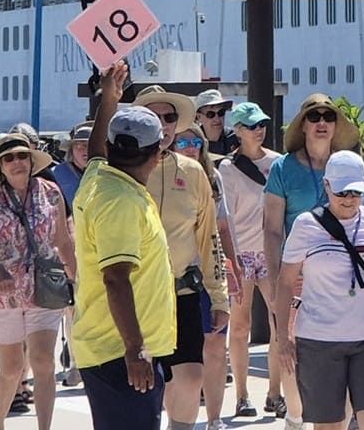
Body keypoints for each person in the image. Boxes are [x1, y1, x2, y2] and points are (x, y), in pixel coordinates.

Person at [271, 150, 364, 430]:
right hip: (320, 341)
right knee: (330, 425)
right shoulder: (305, 225)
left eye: (356, 192)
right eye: (342, 192)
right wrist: (282, 338)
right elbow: (286, 282)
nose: (349, 199)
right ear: (327, 186)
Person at [73, 60, 178, 429]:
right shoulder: (121, 201)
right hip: (119, 352)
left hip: (108, 347)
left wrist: (108, 100)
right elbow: (115, 279)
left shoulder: (99, 175)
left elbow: (97, 147)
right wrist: (136, 350)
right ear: (158, 155)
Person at [265, 93, 363, 429]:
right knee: (290, 351)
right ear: (303, 125)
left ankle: (338, 420)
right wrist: (279, 277)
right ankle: (295, 417)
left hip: (344, 278)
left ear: (336, 126)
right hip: (299, 276)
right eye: (314, 116)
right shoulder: (283, 168)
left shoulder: (349, 164)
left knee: (347, 349)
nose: (322, 122)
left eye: (328, 117)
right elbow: (273, 230)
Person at [135, 85, 230, 430]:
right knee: (144, 386)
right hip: (134, 297)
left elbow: (209, 238)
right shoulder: (120, 172)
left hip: (183, 294)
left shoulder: (193, 173)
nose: (162, 125)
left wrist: (219, 296)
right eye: (154, 117)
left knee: (190, 378)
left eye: (170, 117)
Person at [0, 132, 77, 430]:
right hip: (1, 292)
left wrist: (76, 278)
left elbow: (63, 241)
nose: (16, 162)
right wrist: (0, 271)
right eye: (9, 158)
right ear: (1, 166)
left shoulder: (51, 192)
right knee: (12, 368)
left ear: (31, 161)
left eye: (22, 156)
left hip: (43, 288)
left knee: (44, 361)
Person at [218, 101, 280, 419]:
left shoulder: (279, 163)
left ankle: (275, 392)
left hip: (271, 252)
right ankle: (242, 395)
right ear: (239, 131)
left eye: (262, 124)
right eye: (252, 125)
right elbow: (226, 217)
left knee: (280, 323)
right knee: (240, 326)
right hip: (241, 253)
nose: (259, 130)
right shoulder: (227, 168)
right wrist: (230, 260)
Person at [53, 122, 93, 207]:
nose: (86, 150)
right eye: (81, 146)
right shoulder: (55, 174)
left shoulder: (104, 173)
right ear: (72, 149)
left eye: (91, 146)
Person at [195, 88, 238, 158]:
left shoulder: (235, 138)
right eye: (210, 114)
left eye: (221, 113)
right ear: (199, 117)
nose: (217, 119)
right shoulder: (192, 141)